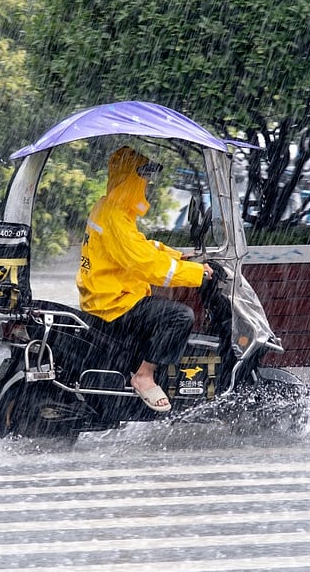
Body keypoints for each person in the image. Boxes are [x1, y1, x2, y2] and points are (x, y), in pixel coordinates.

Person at [76, 146, 213, 412]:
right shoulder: (114, 216)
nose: (147, 185)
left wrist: (176, 255)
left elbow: (139, 246)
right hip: (114, 303)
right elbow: (142, 263)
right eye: (143, 179)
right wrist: (195, 274)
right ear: (130, 180)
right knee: (179, 316)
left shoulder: (110, 208)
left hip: (108, 296)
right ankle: (144, 376)